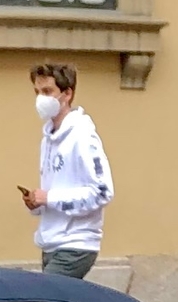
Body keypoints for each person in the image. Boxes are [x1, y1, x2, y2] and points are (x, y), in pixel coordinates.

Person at [21, 62, 113, 278]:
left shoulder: (82, 136)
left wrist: (49, 198)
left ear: (67, 93)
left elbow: (102, 192)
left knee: (43, 301)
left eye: (47, 91)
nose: (41, 99)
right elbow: (56, 191)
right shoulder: (48, 140)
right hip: (51, 243)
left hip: (76, 244)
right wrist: (36, 202)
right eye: (37, 92)